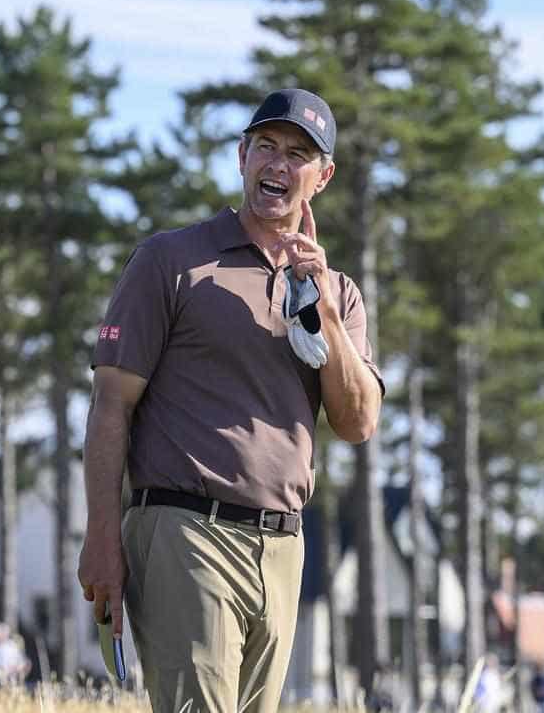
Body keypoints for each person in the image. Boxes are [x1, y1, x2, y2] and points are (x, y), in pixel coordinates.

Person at [78, 87, 383, 713]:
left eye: (298, 154)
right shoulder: (172, 261)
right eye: (266, 146)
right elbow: (111, 405)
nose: (277, 163)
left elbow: (357, 423)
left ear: (321, 178)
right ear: (241, 155)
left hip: (283, 549)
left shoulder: (340, 294)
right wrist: (103, 537)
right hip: (185, 531)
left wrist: (320, 303)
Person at [0, 621, 27, 687]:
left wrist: (14, 669)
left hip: (12, 678)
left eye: (2, 633)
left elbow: (22, 663)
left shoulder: (12, 646)